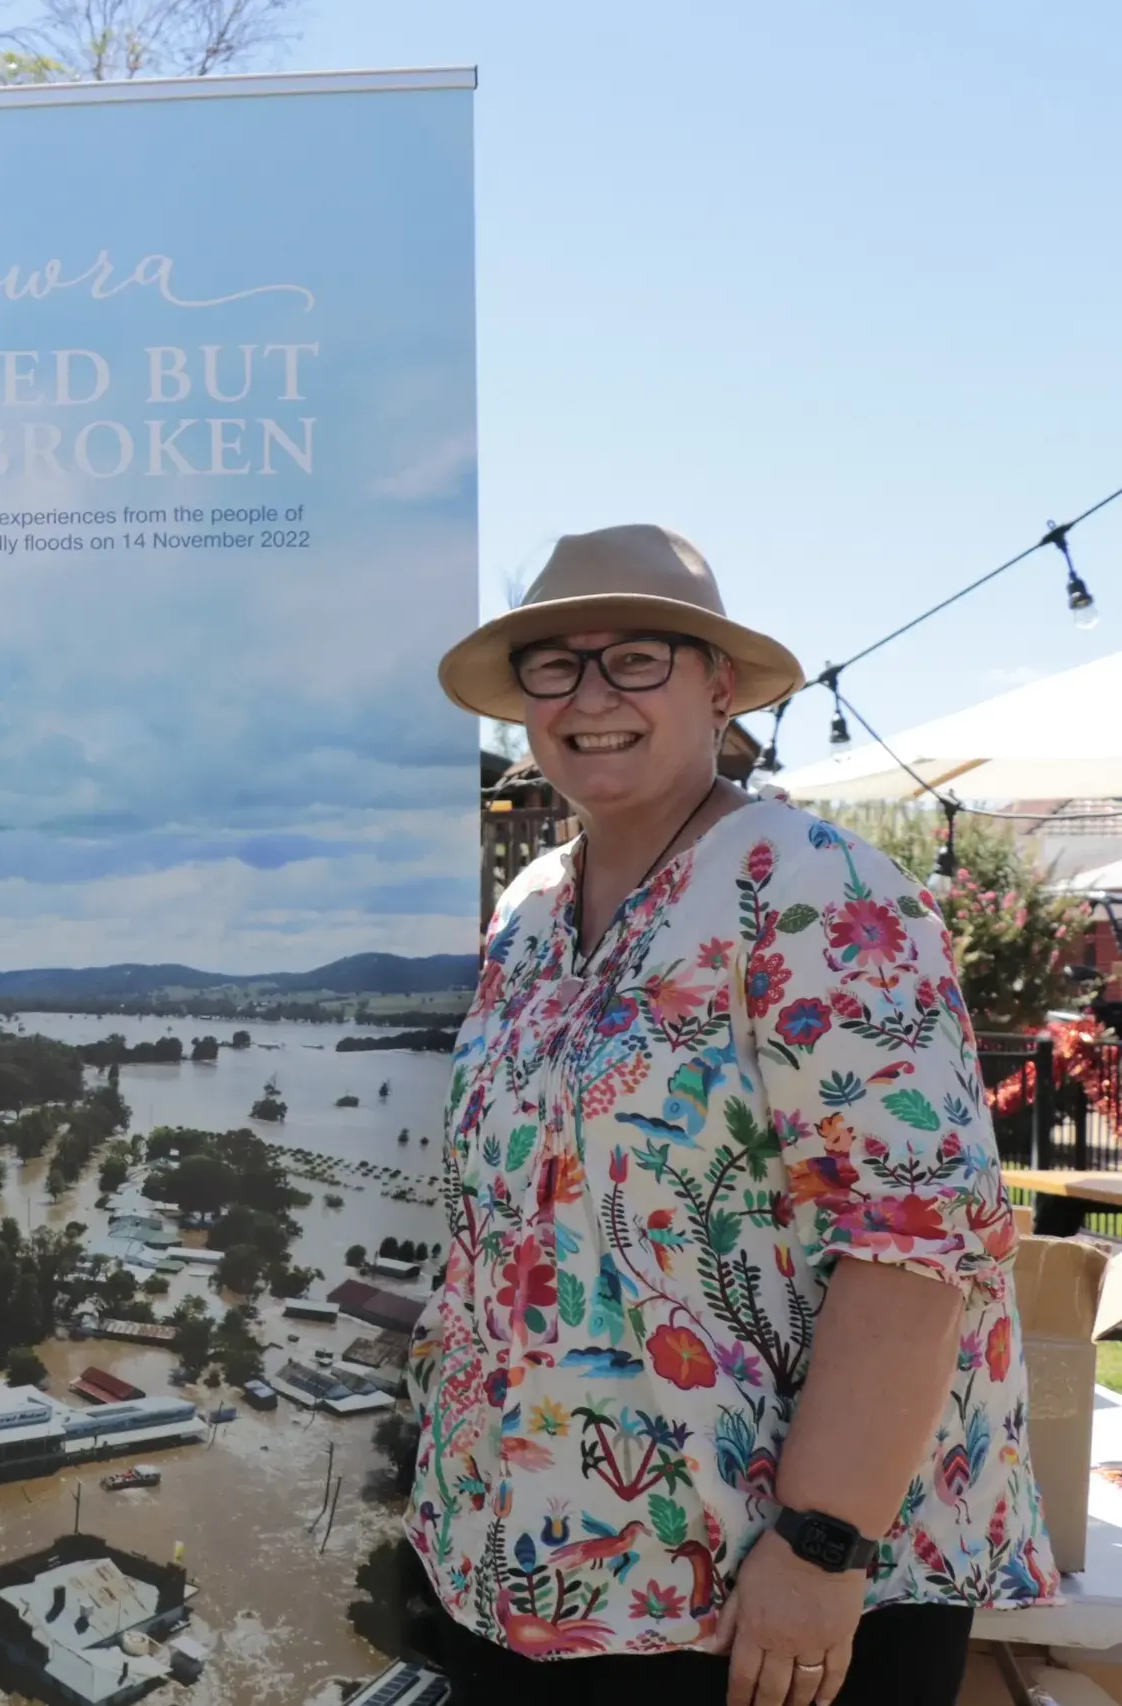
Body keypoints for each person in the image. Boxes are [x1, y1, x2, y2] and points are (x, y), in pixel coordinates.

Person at [408, 525, 1056, 1706]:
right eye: (555, 664)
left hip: (760, 1603)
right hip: (529, 1568)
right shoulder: (530, 905)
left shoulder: (816, 884)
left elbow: (915, 1243)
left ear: (718, 686)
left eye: (636, 658)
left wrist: (821, 1543)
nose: (591, 695)